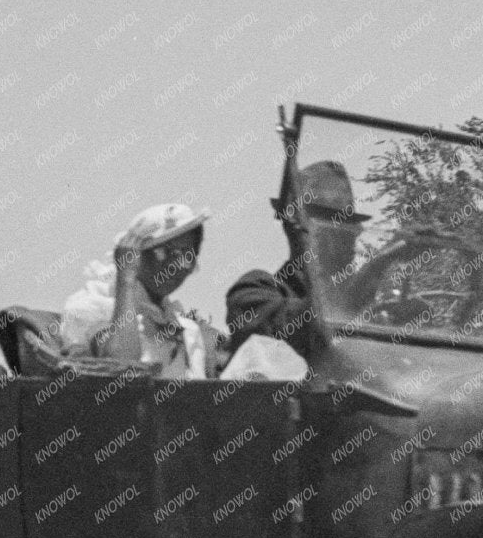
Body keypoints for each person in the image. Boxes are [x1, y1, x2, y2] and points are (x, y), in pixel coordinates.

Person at [224, 159, 421, 359]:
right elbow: (311, 327)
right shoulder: (255, 292)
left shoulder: (367, 302)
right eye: (340, 222)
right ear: (300, 227)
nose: (356, 232)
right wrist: (380, 262)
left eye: (351, 221)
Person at [62, 202, 225, 379]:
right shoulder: (93, 307)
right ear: (134, 256)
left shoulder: (187, 331)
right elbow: (119, 366)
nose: (178, 266)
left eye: (187, 256)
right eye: (165, 252)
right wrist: (127, 277)